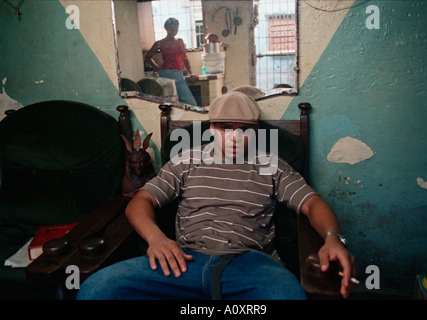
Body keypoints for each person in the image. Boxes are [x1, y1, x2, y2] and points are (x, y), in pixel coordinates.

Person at [77, 91, 355, 300]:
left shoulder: (273, 165)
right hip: (183, 261)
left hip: (251, 265)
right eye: (225, 128)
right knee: (97, 289)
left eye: (243, 129)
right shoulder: (187, 160)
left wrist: (333, 239)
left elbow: (312, 204)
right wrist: (156, 239)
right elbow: (141, 201)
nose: (234, 137)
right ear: (212, 130)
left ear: (255, 132)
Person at [145, 17, 198, 106]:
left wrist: (191, 73)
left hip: (180, 76)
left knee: (191, 104)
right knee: (170, 105)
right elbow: (148, 57)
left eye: (176, 29)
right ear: (166, 28)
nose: (173, 32)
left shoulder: (180, 41)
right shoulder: (160, 43)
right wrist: (156, 67)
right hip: (166, 76)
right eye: (171, 29)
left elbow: (185, 58)